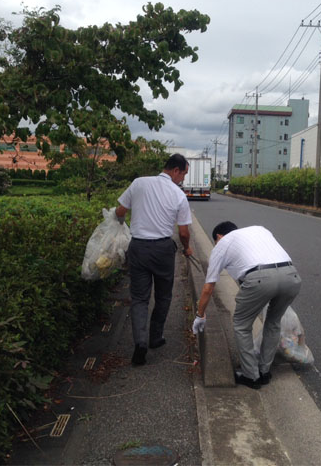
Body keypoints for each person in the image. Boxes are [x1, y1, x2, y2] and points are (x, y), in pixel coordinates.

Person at [192, 221, 301, 389]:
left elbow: (208, 287)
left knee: (241, 324)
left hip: (260, 279)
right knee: (273, 323)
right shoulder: (259, 229)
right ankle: (265, 371)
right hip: (291, 276)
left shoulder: (222, 244)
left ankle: (251, 376)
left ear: (219, 237)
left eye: (215, 241)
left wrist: (200, 315)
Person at [115, 154, 193, 366]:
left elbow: (120, 211)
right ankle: (155, 337)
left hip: (138, 247)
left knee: (139, 298)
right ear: (175, 170)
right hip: (162, 250)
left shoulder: (139, 183)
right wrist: (187, 249)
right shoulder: (178, 195)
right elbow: (184, 233)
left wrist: (122, 224)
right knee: (163, 296)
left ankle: (140, 343)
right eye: (183, 174)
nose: (183, 179)